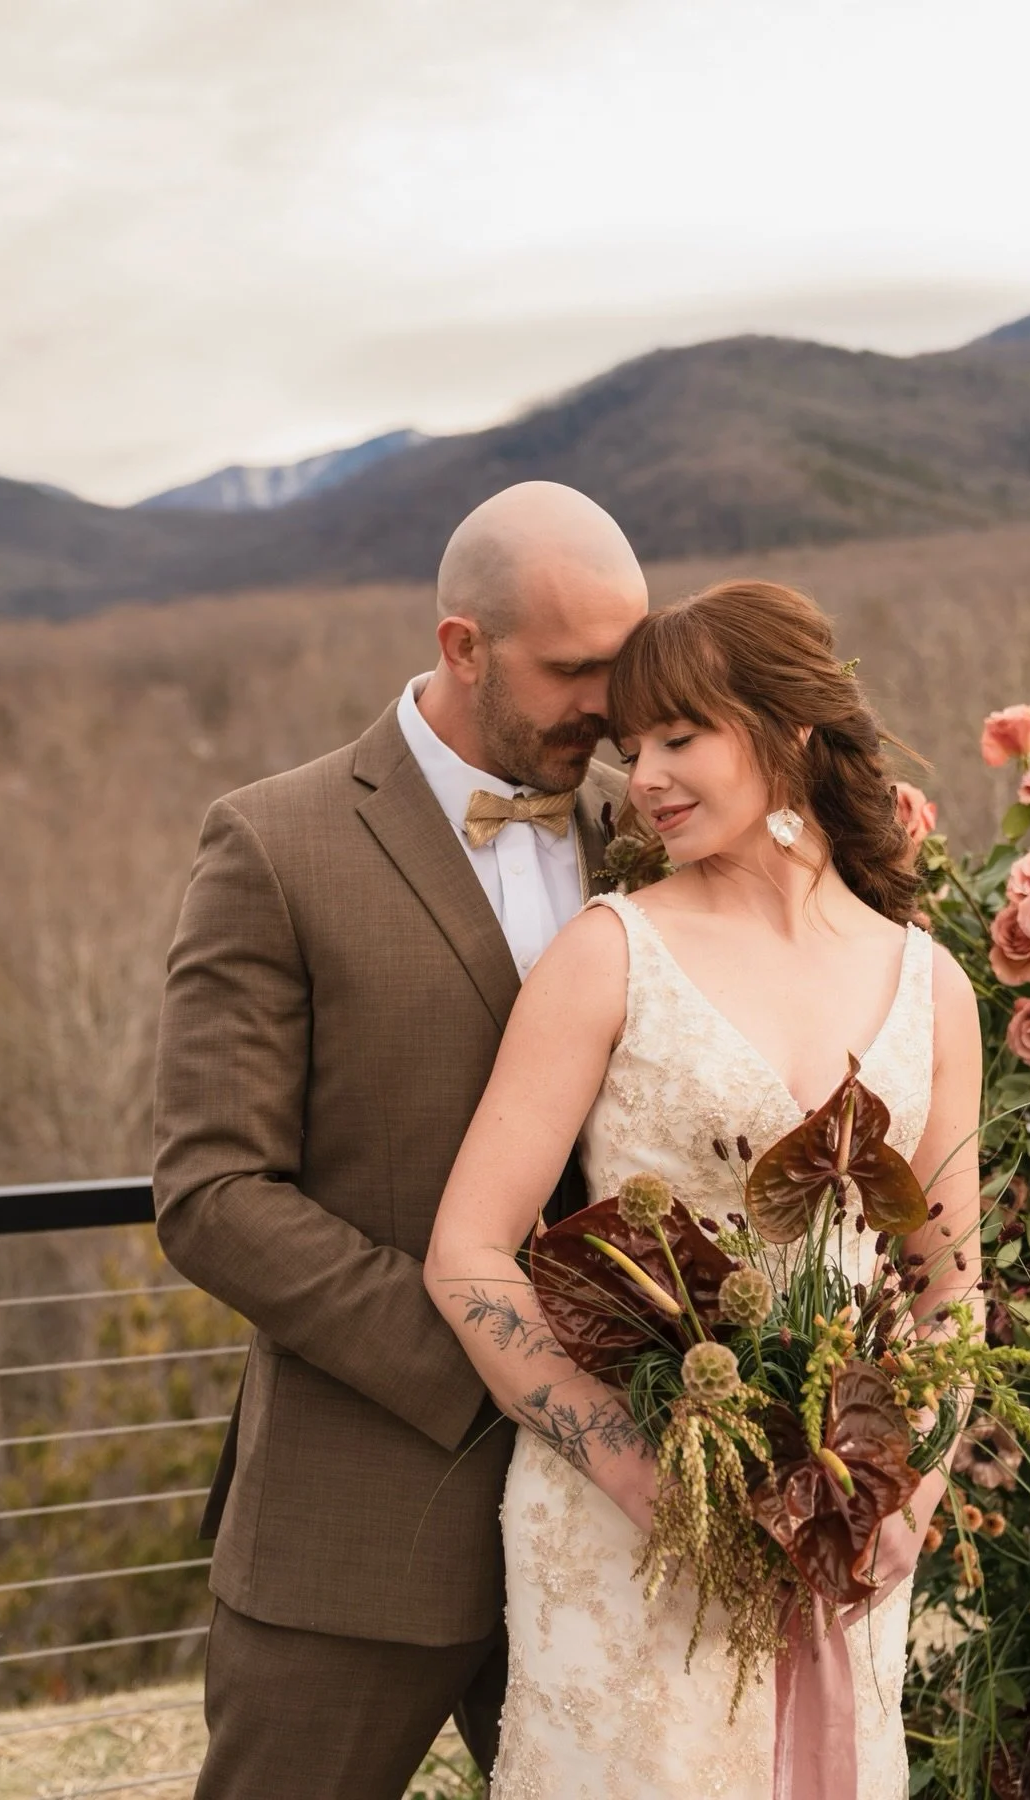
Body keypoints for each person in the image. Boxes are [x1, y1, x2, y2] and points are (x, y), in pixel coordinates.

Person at [425, 579, 983, 1799]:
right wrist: (636, 1466)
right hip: (630, 1527)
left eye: (681, 739)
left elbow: (952, 1290)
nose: (647, 781)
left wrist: (909, 1499)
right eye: (632, 751)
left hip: (847, 1526)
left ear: (790, 729)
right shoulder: (609, 953)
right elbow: (466, 1253)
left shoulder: (932, 985)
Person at [151, 481, 647, 1798]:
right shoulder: (275, 843)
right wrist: (495, 1357)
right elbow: (213, 1193)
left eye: (625, 663)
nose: (611, 704)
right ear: (462, 645)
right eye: (573, 669)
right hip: (359, 1522)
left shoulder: (649, 830)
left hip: (615, 1526)